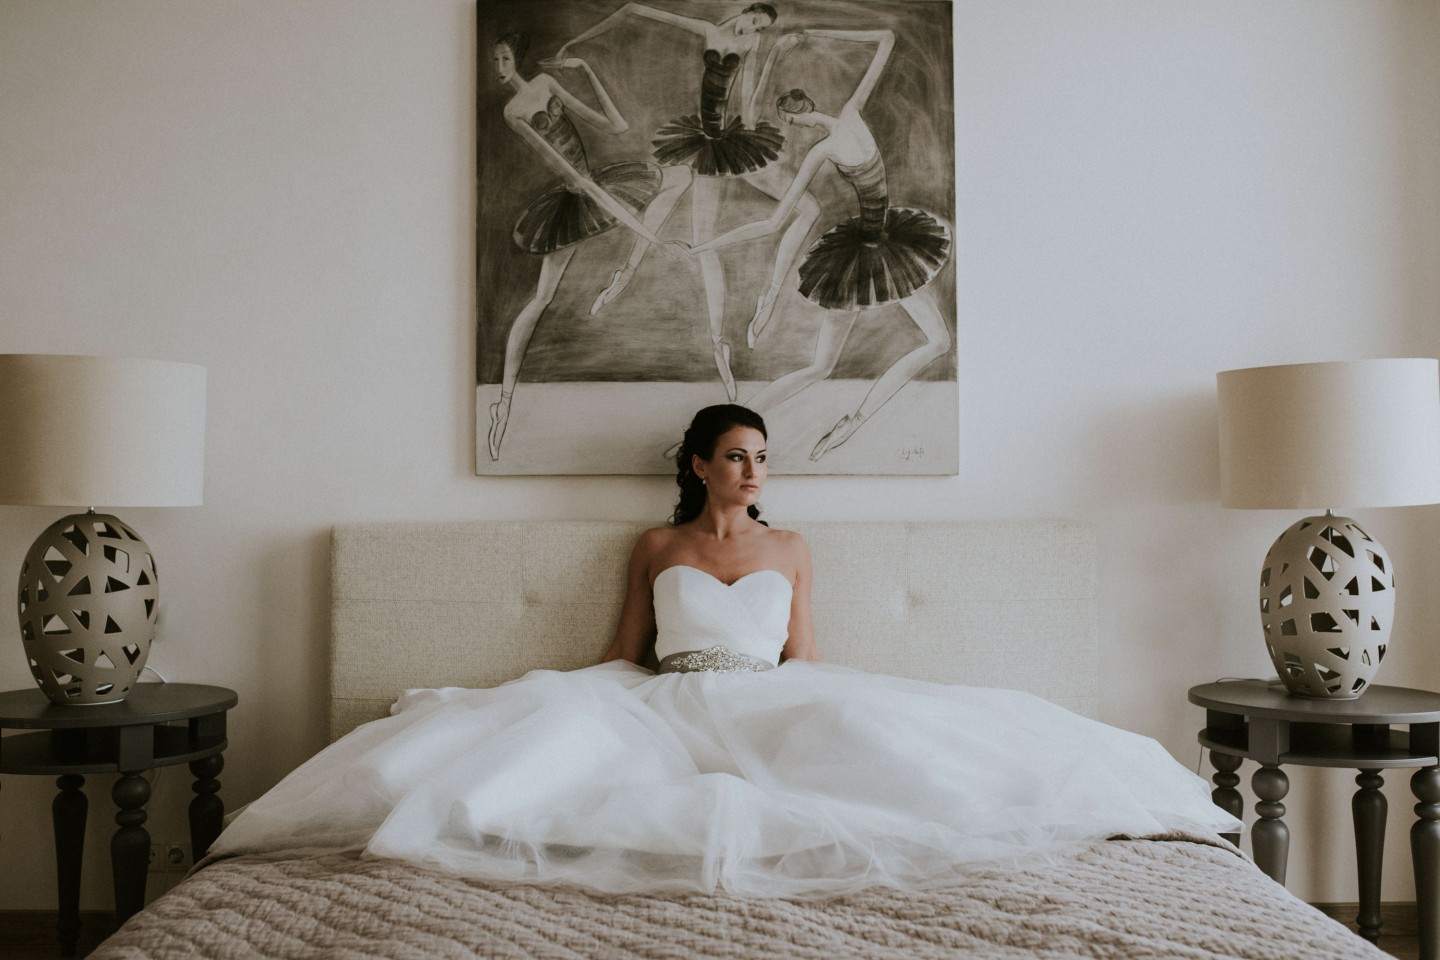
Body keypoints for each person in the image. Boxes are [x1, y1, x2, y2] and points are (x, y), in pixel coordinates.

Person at [208, 406, 1239, 897]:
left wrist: (812, 701)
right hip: (662, 697)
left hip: (769, 696)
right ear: (699, 465)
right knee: (523, 762)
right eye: (736, 457)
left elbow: (806, 654)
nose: (752, 471)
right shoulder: (656, 545)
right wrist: (576, 695)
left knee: (895, 761)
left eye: (762, 458)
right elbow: (626, 648)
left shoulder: (792, 548)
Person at [682, 30, 952, 460]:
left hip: (875, 252)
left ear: (795, 119)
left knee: (824, 366)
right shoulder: (852, 112)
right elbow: (886, 39)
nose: (793, 128)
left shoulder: (821, 151)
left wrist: (704, 246)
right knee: (934, 343)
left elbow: (773, 222)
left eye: (789, 123)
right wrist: (813, 35)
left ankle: (732, 428)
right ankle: (850, 420)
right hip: (877, 251)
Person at [556, 3, 821, 400]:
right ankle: (708, 336)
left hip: (729, 144)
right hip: (703, 145)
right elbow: (633, 8)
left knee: (800, 209)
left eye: (760, 28)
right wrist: (573, 46)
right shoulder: (707, 29)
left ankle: (753, 309)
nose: (753, 29)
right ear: (746, 9)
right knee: (703, 243)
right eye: (753, 20)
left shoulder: (752, 44)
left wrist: (772, 58)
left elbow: (749, 109)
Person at [486, 32, 690, 460]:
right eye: (495, 61)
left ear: (516, 58)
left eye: (504, 58)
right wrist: (655, 240)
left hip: (596, 184)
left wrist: (587, 70)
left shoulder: (546, 83)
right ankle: (503, 403)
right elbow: (573, 177)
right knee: (541, 299)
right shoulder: (512, 112)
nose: (499, 67)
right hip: (574, 197)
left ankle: (626, 271)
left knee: (681, 176)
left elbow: (616, 126)